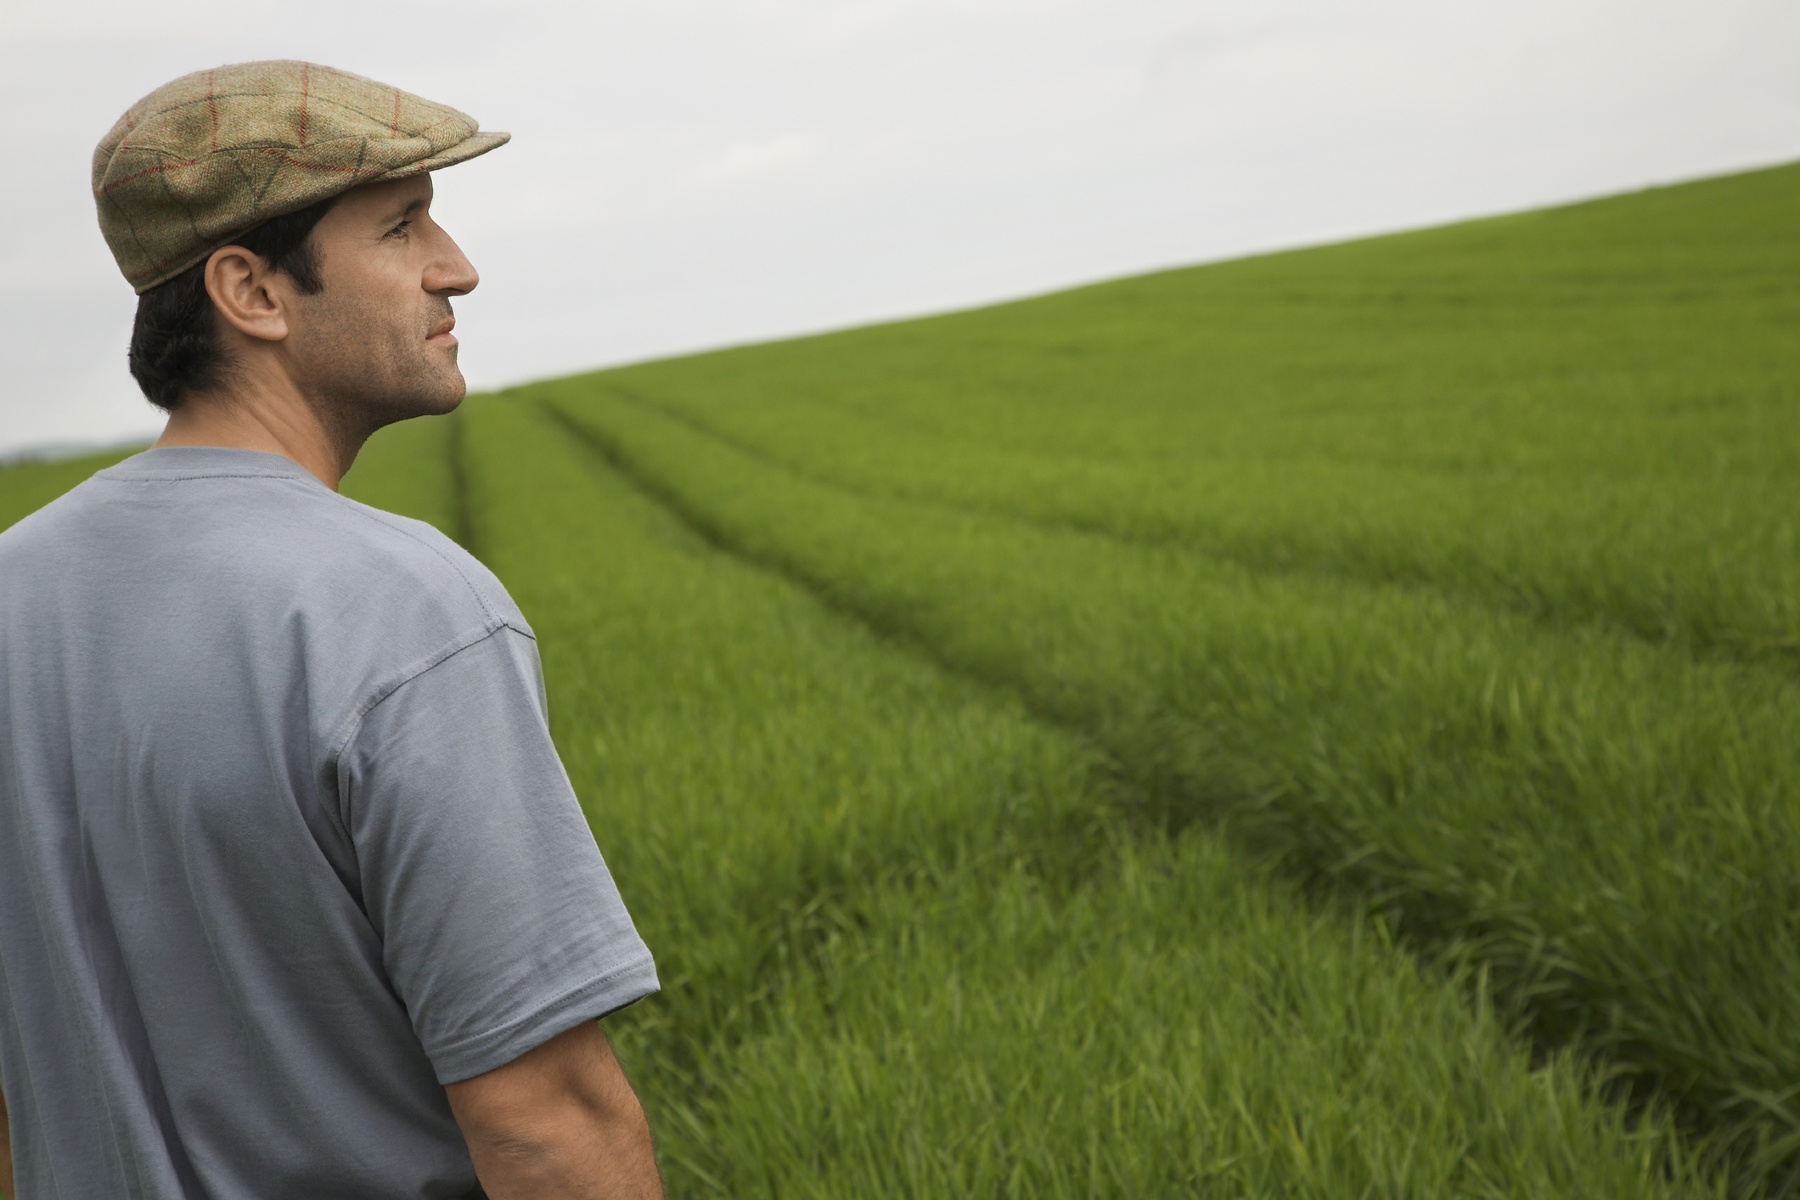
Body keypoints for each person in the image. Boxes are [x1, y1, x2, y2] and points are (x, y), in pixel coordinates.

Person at [0, 61, 662, 1199]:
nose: (457, 269)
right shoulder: (404, 613)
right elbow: (544, 1122)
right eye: (402, 228)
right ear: (252, 292)